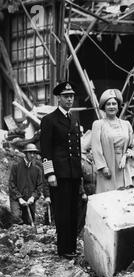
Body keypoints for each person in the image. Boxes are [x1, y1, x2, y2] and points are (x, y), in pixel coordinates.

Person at [40, 81, 82, 260]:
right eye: (66, 96)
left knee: (74, 212)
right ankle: (63, 249)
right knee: (63, 213)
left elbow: (77, 148)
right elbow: (46, 150)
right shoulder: (49, 120)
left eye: (71, 96)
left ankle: (72, 246)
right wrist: (50, 173)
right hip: (59, 174)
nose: (69, 99)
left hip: (73, 173)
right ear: (59, 98)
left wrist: (79, 173)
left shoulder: (73, 119)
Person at [91, 89, 134, 193]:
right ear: (104, 107)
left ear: (118, 106)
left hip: (123, 166)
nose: (111, 106)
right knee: (109, 197)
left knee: (124, 196)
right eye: (108, 104)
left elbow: (133, 145)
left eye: (114, 104)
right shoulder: (98, 124)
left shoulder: (126, 124)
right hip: (108, 166)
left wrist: (126, 156)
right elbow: (96, 148)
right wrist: (103, 167)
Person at [8, 143, 43, 225]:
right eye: (30, 153)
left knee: (29, 222)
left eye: (34, 153)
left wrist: (33, 197)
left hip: (29, 199)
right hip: (16, 199)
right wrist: (19, 198)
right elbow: (11, 184)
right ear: (25, 153)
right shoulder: (16, 166)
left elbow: (39, 186)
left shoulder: (37, 169)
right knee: (16, 217)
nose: (33, 155)